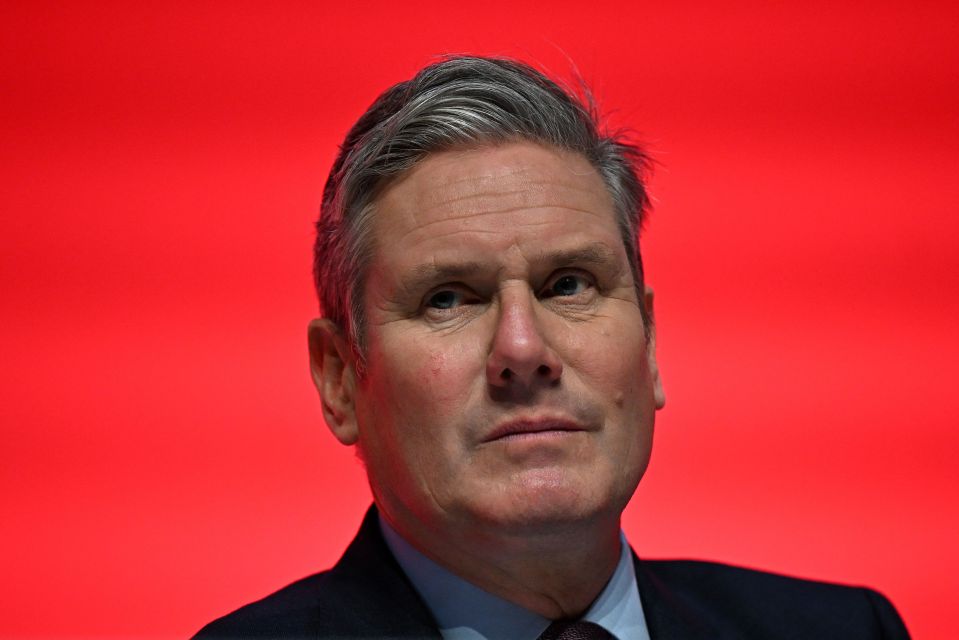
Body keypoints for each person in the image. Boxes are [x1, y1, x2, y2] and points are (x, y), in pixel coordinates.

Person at [194, 56, 910, 639]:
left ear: (650, 343)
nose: (522, 347)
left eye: (568, 284)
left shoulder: (846, 631)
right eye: (448, 297)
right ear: (340, 380)